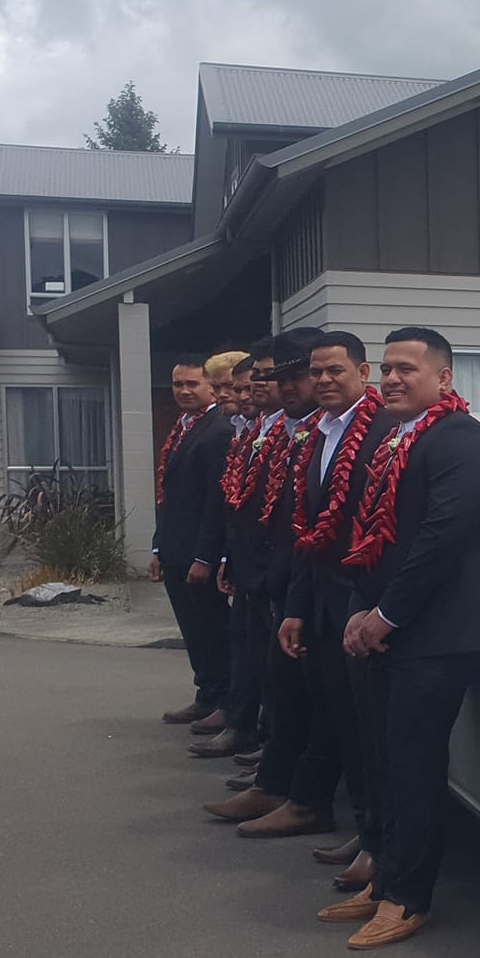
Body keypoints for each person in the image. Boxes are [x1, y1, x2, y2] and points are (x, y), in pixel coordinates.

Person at [318, 327, 480, 949]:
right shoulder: (396, 439)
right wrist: (356, 607)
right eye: (387, 368)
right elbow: (371, 536)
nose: (392, 379)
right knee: (381, 762)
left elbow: (440, 541)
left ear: (444, 379)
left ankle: (408, 897)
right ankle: (385, 876)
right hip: (384, 628)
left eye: (407, 369)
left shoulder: (461, 442)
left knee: (415, 767)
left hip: (435, 637)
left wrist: (384, 616)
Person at [237, 330, 393, 841]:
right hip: (321, 603)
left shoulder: (387, 432)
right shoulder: (318, 433)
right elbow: (307, 531)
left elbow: (388, 532)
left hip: (361, 607)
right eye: (318, 372)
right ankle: (329, 813)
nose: (323, 381)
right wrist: (297, 608)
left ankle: (374, 835)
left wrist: (370, 609)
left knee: (364, 730)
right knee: (332, 716)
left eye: (335, 371)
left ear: (363, 373)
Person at [205, 329, 323, 826]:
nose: (283, 387)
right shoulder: (297, 430)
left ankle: (298, 794)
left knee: (303, 695)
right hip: (276, 578)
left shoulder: (341, 432)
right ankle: (279, 783)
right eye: (278, 377)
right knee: (280, 683)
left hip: (313, 588)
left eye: (298, 375)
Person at [193, 350, 273, 759]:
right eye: (227, 388)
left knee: (265, 658)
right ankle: (243, 724)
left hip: (269, 567)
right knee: (244, 648)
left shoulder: (262, 431)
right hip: (243, 560)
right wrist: (228, 557)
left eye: (242, 387)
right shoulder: (244, 429)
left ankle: (256, 731)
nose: (236, 395)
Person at [154, 357, 233, 725]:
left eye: (192, 384)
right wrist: (158, 547)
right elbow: (169, 494)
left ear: (210, 387)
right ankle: (206, 691)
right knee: (192, 630)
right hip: (174, 547)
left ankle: (221, 698)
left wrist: (205, 556)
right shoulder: (183, 428)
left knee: (212, 630)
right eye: (177, 385)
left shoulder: (219, 430)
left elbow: (215, 500)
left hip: (198, 553)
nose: (184, 391)